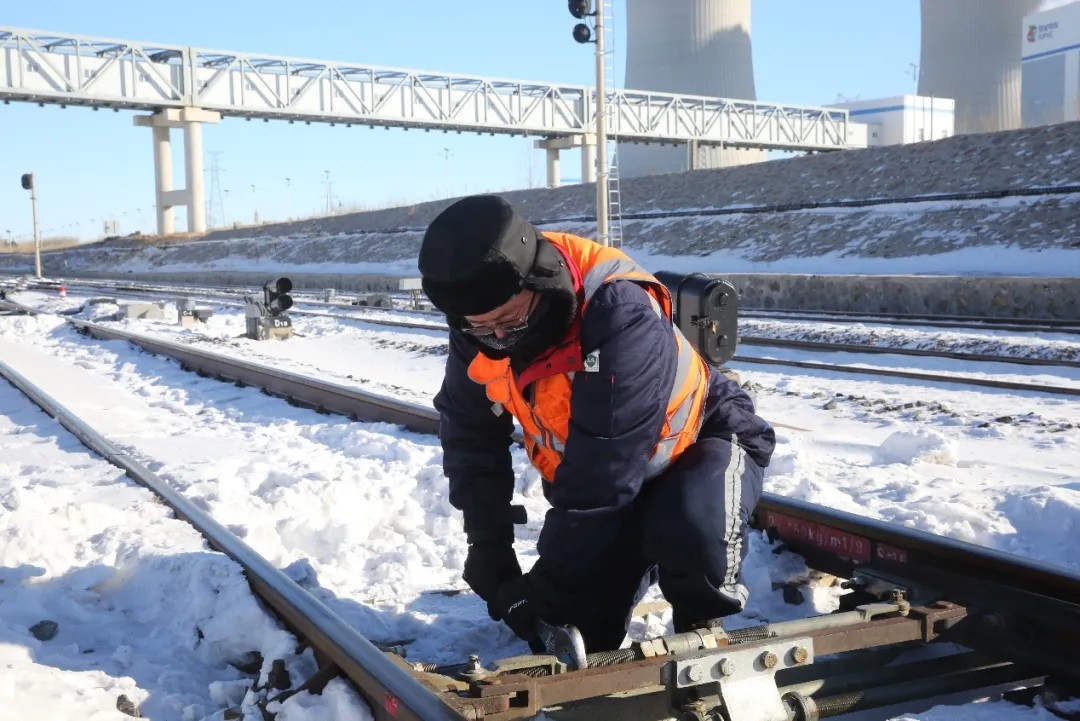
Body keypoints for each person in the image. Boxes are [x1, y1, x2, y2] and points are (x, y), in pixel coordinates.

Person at [419, 194, 775, 653]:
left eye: (509, 319)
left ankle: (702, 627)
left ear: (537, 280)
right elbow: (471, 433)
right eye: (483, 328)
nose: (500, 337)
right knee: (576, 627)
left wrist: (548, 582)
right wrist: (488, 542)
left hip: (700, 439)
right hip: (611, 473)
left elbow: (604, 470)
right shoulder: (479, 323)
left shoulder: (617, 309)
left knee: (692, 530)